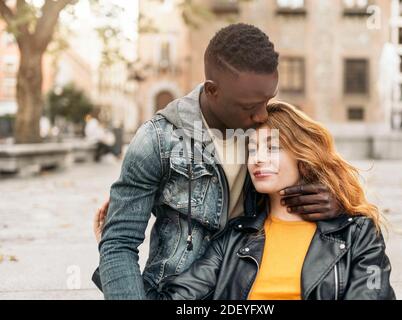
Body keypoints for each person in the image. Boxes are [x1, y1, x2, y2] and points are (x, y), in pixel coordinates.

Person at [92, 24, 343, 300]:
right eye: (249, 107)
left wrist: (334, 203)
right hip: (175, 295)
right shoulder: (157, 140)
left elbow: (311, 169)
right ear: (212, 91)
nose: (262, 115)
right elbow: (118, 243)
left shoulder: (264, 132)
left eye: (267, 100)